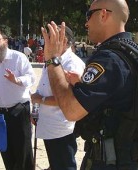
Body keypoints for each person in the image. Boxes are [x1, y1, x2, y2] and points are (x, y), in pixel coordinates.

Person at [41, 0, 138, 169]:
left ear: (103, 14)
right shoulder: (134, 51)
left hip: (111, 160)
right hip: (132, 156)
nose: (86, 22)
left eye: (89, 15)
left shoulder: (108, 59)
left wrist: (53, 60)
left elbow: (71, 110)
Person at [31, 26, 85, 170]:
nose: (45, 42)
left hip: (61, 127)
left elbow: (70, 100)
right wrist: (35, 111)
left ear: (64, 40)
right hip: (48, 124)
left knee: (64, 165)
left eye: (50, 38)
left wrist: (40, 100)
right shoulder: (53, 59)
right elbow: (41, 88)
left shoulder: (72, 63)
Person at [0, 27, 36, 170]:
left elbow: (31, 78)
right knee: (6, 150)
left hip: (19, 111)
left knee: (23, 151)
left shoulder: (18, 57)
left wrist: (17, 80)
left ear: (5, 41)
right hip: (1, 114)